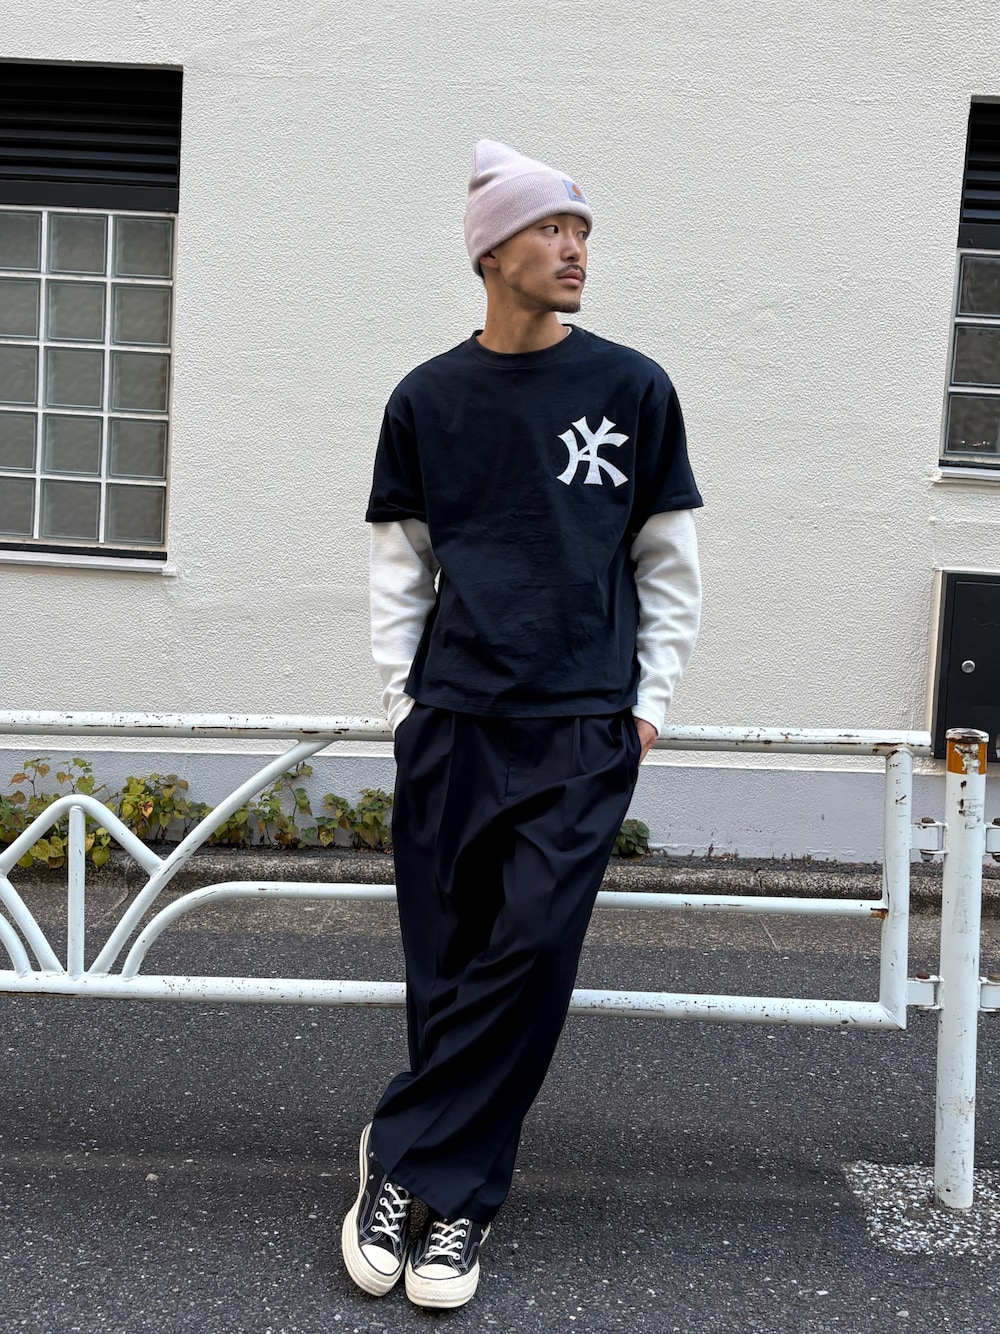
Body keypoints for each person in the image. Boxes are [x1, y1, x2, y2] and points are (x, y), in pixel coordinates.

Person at [342, 139, 703, 1310]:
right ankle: (454, 1197)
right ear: (492, 253)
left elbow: (667, 560)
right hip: (453, 718)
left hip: (580, 725)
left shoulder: (632, 388)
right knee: (446, 961)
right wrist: (404, 706)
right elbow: (400, 565)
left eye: (583, 231)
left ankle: (402, 1151)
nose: (576, 249)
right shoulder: (426, 399)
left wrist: (646, 707)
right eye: (553, 229)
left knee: (534, 951)